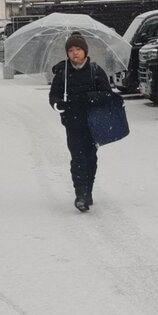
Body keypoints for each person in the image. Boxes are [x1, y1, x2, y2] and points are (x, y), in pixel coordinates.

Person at [48, 32, 112, 212]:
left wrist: (91, 98)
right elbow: (53, 95)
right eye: (70, 50)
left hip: (92, 123)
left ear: (85, 51)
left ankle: (88, 191)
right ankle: (80, 194)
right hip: (72, 123)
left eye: (78, 49)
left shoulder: (95, 71)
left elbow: (107, 94)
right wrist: (58, 104)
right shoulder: (62, 73)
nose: (75, 53)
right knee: (77, 159)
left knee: (90, 158)